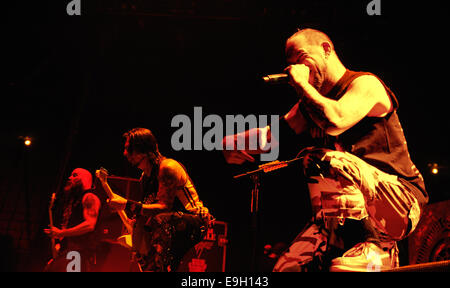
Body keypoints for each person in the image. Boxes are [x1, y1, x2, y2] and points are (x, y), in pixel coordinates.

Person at [223, 28, 428, 272]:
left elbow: (335, 120)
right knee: (287, 269)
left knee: (320, 159)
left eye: (301, 58)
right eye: (290, 64)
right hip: (345, 215)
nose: (295, 68)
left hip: (399, 201)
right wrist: (230, 142)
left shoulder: (365, 84)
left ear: (326, 50)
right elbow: (271, 137)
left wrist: (301, 84)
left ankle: (378, 246)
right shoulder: (309, 104)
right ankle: (343, 238)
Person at [103, 127, 214, 272]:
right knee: (142, 230)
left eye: (129, 149)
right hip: (168, 224)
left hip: (195, 221)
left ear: (144, 151)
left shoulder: (167, 168)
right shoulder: (144, 178)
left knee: (160, 221)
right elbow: (146, 210)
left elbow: (164, 207)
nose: (125, 154)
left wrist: (127, 204)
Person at [44, 168, 102, 272]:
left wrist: (61, 233)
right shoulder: (74, 201)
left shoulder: (89, 197)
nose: (70, 178)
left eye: (75, 175)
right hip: (68, 252)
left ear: (85, 179)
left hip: (78, 253)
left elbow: (90, 225)